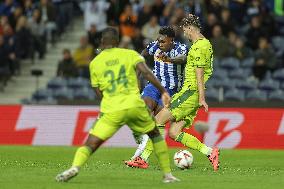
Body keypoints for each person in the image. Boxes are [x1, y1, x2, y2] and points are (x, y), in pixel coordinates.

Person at [55, 27, 180, 183]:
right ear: (117, 41)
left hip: (112, 108)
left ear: (102, 41)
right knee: (155, 134)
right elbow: (146, 72)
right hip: (134, 105)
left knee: (91, 143)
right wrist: (163, 91)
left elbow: (98, 90)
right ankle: (167, 175)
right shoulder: (129, 54)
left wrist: (105, 107)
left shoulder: (95, 63)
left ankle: (75, 167)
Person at [153, 14, 219, 171]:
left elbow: (199, 73)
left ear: (190, 28)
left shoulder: (200, 46)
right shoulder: (203, 44)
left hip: (190, 93)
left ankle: (144, 159)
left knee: (157, 121)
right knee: (174, 132)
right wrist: (169, 60)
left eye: (185, 30)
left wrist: (201, 98)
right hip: (190, 94)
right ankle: (210, 152)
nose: (185, 34)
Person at [125, 26, 188, 169]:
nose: (160, 43)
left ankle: (140, 155)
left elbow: (182, 59)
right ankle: (141, 147)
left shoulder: (180, 48)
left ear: (171, 40)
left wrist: (170, 59)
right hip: (153, 85)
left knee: (156, 122)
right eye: (159, 40)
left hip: (170, 90)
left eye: (163, 41)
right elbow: (142, 54)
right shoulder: (155, 45)